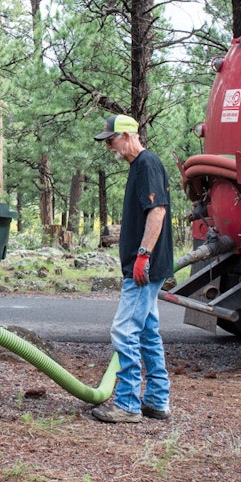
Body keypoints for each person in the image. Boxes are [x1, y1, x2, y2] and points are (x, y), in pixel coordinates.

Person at [91, 114, 174, 423]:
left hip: (144, 267)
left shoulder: (147, 164)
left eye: (110, 140)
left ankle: (127, 403)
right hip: (145, 265)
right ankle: (157, 401)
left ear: (126, 135)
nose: (108, 146)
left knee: (124, 330)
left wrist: (142, 255)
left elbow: (158, 211)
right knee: (147, 333)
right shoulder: (139, 166)